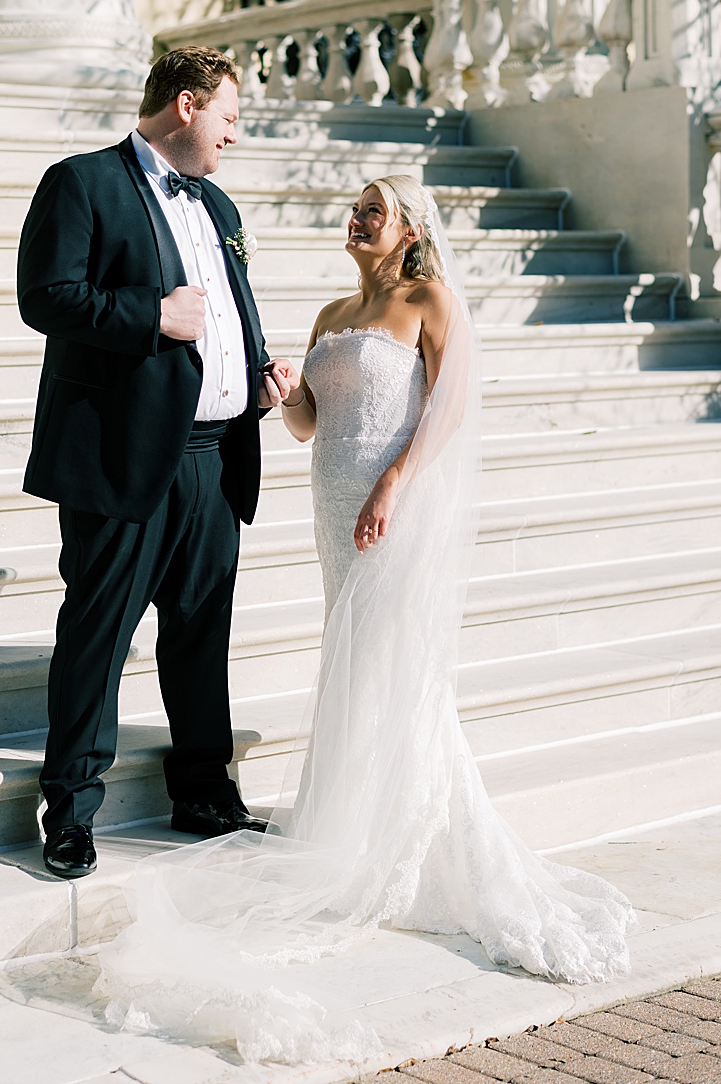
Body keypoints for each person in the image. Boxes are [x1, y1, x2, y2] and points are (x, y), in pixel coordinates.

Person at [90, 176, 633, 1063]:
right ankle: (353, 823)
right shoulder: (337, 308)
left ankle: (409, 838)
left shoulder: (429, 299)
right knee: (353, 659)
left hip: (394, 505)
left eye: (372, 209)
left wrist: (392, 485)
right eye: (355, 207)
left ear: (409, 229)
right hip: (331, 503)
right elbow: (308, 426)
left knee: (394, 662)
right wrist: (283, 391)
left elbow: (449, 409)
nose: (357, 217)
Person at [16, 45, 299, 880]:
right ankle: (69, 812)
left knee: (201, 631)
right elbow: (46, 297)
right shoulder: (81, 182)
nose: (234, 137)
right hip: (124, 457)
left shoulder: (218, 205)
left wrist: (256, 374)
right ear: (185, 105)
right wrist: (152, 315)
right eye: (230, 118)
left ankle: (203, 791)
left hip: (217, 453)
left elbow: (222, 311)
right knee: (98, 637)